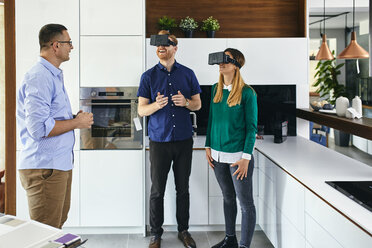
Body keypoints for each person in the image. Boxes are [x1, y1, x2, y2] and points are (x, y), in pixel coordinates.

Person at [16, 24, 93, 229]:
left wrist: (73, 118)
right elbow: (39, 128)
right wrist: (77, 123)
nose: (72, 47)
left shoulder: (53, 75)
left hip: (56, 165)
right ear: (56, 45)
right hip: (44, 168)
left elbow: (50, 117)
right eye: (69, 43)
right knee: (46, 231)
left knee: (55, 228)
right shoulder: (39, 76)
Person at [137, 30, 201, 248]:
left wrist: (186, 103)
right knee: (157, 191)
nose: (161, 47)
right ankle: (156, 234)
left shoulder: (189, 74)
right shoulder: (148, 76)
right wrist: (156, 105)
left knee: (183, 189)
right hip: (158, 142)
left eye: (166, 43)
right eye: (157, 44)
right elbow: (141, 110)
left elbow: (198, 104)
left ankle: (184, 230)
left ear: (175, 47)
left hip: (183, 140)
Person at [205, 48, 257, 248]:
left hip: (238, 158)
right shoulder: (214, 90)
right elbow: (211, 120)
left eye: (227, 59)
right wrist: (208, 146)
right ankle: (230, 239)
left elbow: (251, 129)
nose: (221, 62)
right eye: (220, 59)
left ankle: (244, 245)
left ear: (236, 65)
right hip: (217, 156)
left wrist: (246, 158)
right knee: (227, 197)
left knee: (246, 205)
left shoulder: (248, 93)